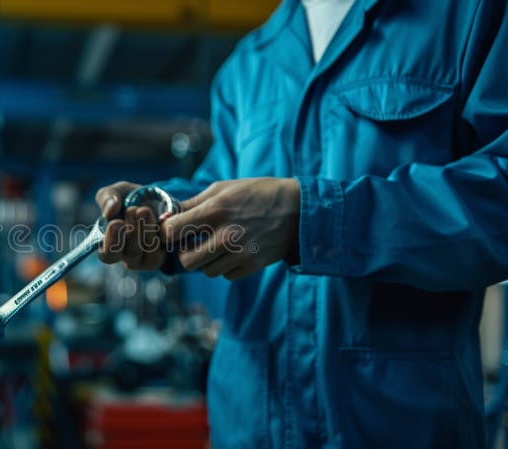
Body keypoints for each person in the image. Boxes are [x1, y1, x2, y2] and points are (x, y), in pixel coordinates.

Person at [95, 0, 508, 448]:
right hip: (247, 424)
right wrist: (165, 217)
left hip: (394, 428)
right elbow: (216, 187)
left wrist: (311, 220)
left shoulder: (469, 15)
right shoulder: (249, 65)